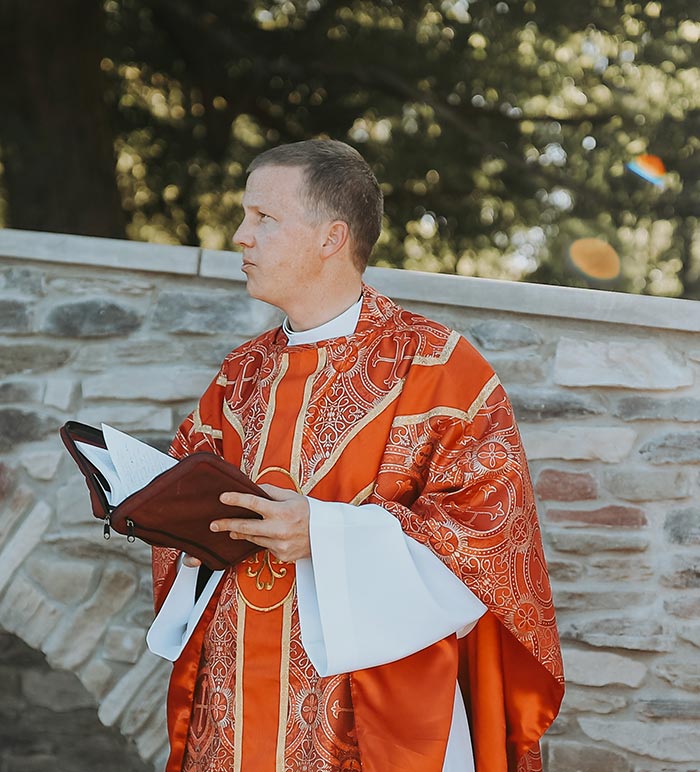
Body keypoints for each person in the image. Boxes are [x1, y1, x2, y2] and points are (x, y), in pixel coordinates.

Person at [147, 139, 564, 772]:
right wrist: (151, 508)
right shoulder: (240, 374)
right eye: (245, 216)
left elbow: (489, 544)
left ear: (331, 237)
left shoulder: (439, 369)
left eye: (264, 217)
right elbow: (188, 511)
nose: (240, 236)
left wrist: (322, 533)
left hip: (371, 715)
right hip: (230, 705)